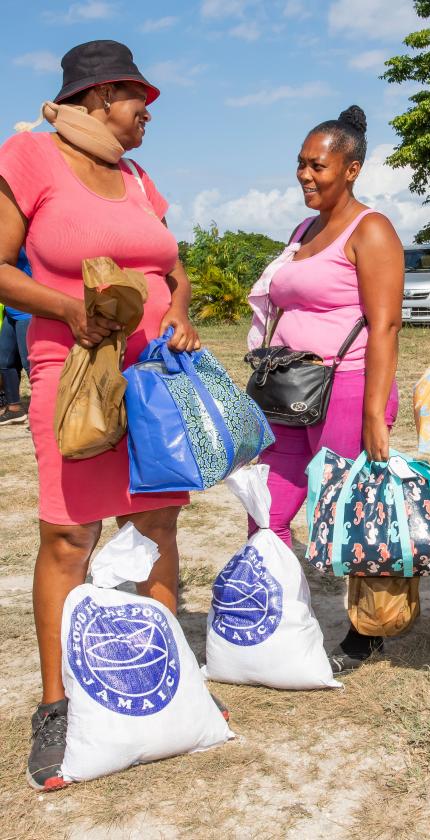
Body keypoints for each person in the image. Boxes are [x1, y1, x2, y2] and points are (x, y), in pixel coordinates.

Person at [0, 40, 200, 791]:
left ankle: (162, 683)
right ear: (94, 97)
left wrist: (178, 311)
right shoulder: (29, 156)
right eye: (135, 98)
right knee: (67, 538)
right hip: (75, 376)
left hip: (152, 382)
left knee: (157, 528)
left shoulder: (140, 177)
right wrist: (68, 309)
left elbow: (170, 270)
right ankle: (56, 706)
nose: (147, 111)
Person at [247, 106, 403, 674]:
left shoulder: (373, 230)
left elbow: (385, 325)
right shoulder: (302, 231)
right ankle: (276, 617)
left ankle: (367, 631)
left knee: (347, 514)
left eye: (318, 165)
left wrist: (375, 416)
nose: (306, 176)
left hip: (348, 388)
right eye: (300, 165)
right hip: (286, 390)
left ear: (353, 168)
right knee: (269, 508)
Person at [0, 249, 32, 425]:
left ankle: (47, 412)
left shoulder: (21, 238)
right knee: (4, 361)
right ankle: (14, 409)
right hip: (10, 310)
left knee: (30, 365)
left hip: (28, 311)